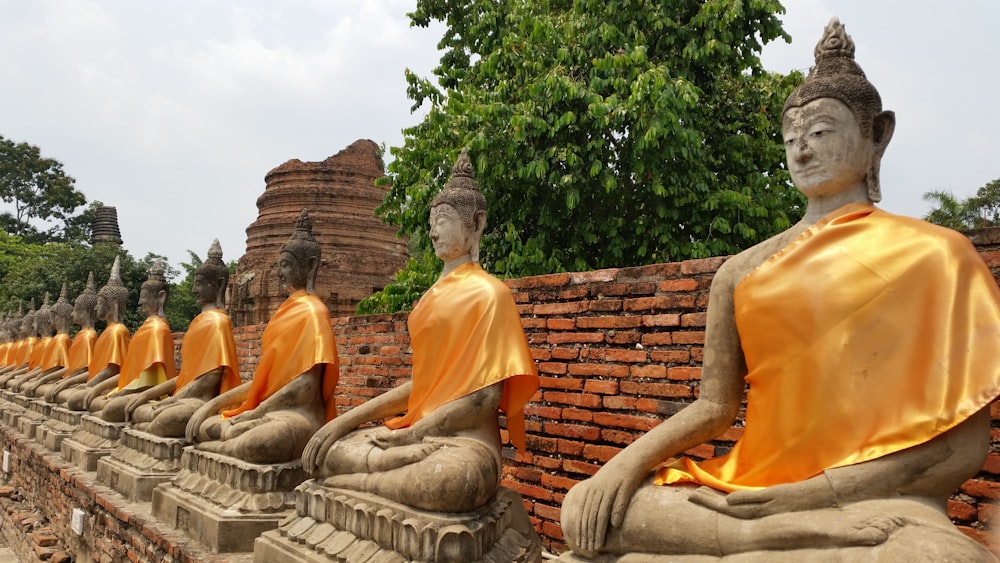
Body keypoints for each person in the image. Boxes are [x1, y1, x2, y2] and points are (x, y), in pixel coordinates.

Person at [560, 18, 1000, 560]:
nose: (802, 151)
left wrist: (811, 494)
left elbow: (960, 451)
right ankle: (761, 539)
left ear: (877, 134)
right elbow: (714, 407)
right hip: (748, 493)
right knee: (589, 508)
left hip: (872, 500)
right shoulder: (742, 271)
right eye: (792, 138)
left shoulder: (937, 255)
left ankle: (775, 534)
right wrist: (622, 466)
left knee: (944, 558)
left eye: (819, 133)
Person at [301, 149, 539, 513]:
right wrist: (344, 421)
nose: (432, 232)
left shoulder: (491, 294)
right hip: (417, 435)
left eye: (442, 219)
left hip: (466, 444)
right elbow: (423, 386)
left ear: (476, 224)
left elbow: (484, 399)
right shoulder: (430, 299)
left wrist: (415, 435)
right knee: (330, 449)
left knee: (444, 483)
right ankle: (369, 477)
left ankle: (356, 484)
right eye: (432, 221)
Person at [186, 211, 339, 464]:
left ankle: (216, 453)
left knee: (258, 442)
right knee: (208, 426)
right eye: (279, 265)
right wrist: (209, 407)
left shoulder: (313, 312)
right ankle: (220, 449)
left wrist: (257, 412)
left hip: (296, 415)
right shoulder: (283, 313)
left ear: (310, 266)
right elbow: (264, 382)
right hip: (268, 409)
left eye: (286, 265)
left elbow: (305, 386)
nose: (280, 272)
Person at [127, 240, 241, 437]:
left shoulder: (218, 322)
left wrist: (171, 401)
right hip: (184, 396)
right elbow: (185, 376)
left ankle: (144, 429)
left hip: (200, 399)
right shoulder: (198, 322)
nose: (193, 290)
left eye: (199, 284)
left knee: (166, 420)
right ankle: (144, 427)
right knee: (139, 409)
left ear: (220, 285)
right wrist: (148, 394)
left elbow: (210, 378)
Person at [85, 261, 176, 422]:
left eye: (144, 297)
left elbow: (150, 380)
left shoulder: (157, 329)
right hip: (129, 389)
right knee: (91, 401)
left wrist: (119, 392)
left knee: (108, 407)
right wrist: (101, 388)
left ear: (161, 297)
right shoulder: (144, 328)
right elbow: (127, 372)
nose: (140, 302)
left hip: (149, 393)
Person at [62, 257, 131, 411]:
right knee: (69, 396)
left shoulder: (118, 331)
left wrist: (92, 386)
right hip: (95, 385)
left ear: (113, 305)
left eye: (99, 303)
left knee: (74, 399)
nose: (95, 309)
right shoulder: (106, 332)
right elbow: (93, 368)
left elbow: (113, 370)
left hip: (107, 388)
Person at [43, 274, 100, 404]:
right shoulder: (81, 335)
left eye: (76, 310)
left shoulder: (88, 336)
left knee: (71, 399)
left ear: (88, 312)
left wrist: (65, 381)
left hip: (80, 383)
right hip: (71, 381)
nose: (73, 314)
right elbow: (70, 367)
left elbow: (86, 369)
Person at [23, 284, 76, 397]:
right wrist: (33, 378)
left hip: (54, 381)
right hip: (46, 379)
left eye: (52, 317)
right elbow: (43, 367)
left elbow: (62, 366)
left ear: (59, 317)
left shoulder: (61, 339)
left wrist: (39, 379)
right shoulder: (53, 340)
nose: (49, 320)